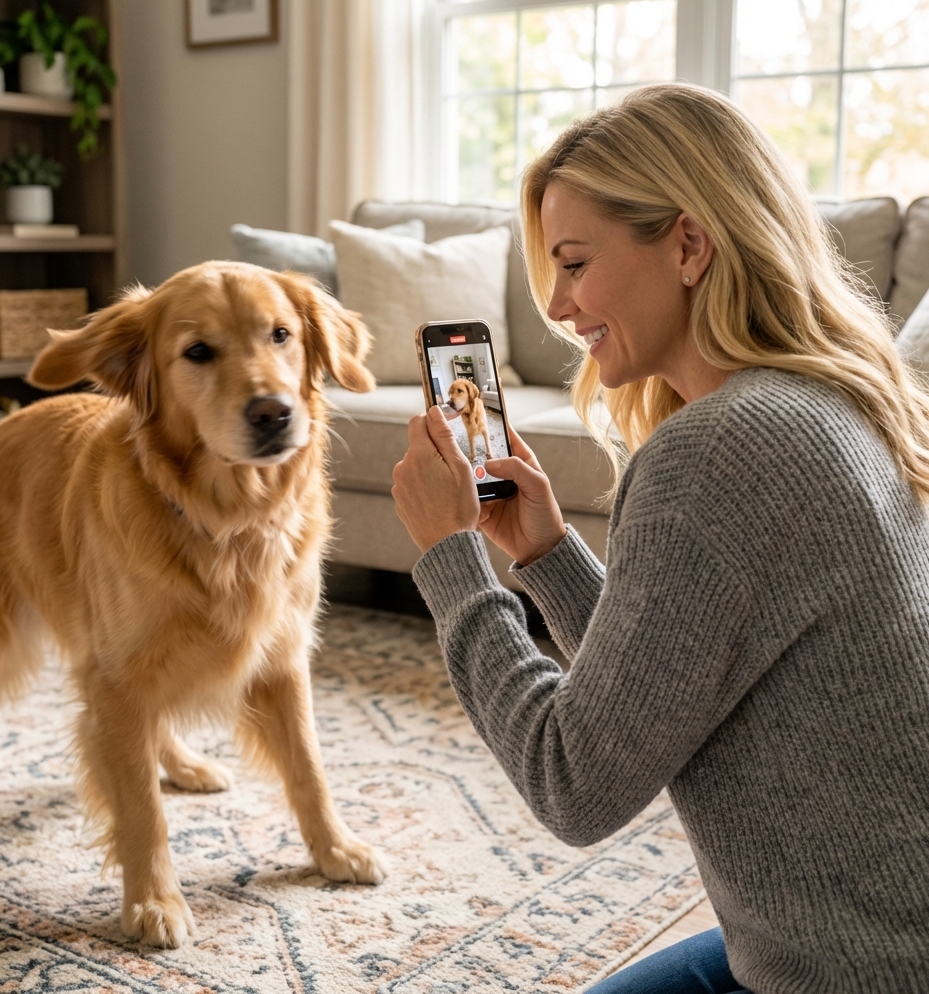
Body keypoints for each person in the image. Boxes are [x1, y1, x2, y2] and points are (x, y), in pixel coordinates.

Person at [391, 83, 929, 994]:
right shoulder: (832, 401)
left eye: (573, 263)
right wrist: (546, 555)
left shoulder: (718, 450)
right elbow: (670, 673)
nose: (559, 305)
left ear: (687, 243)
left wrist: (453, 564)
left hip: (852, 970)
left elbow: (573, 780)